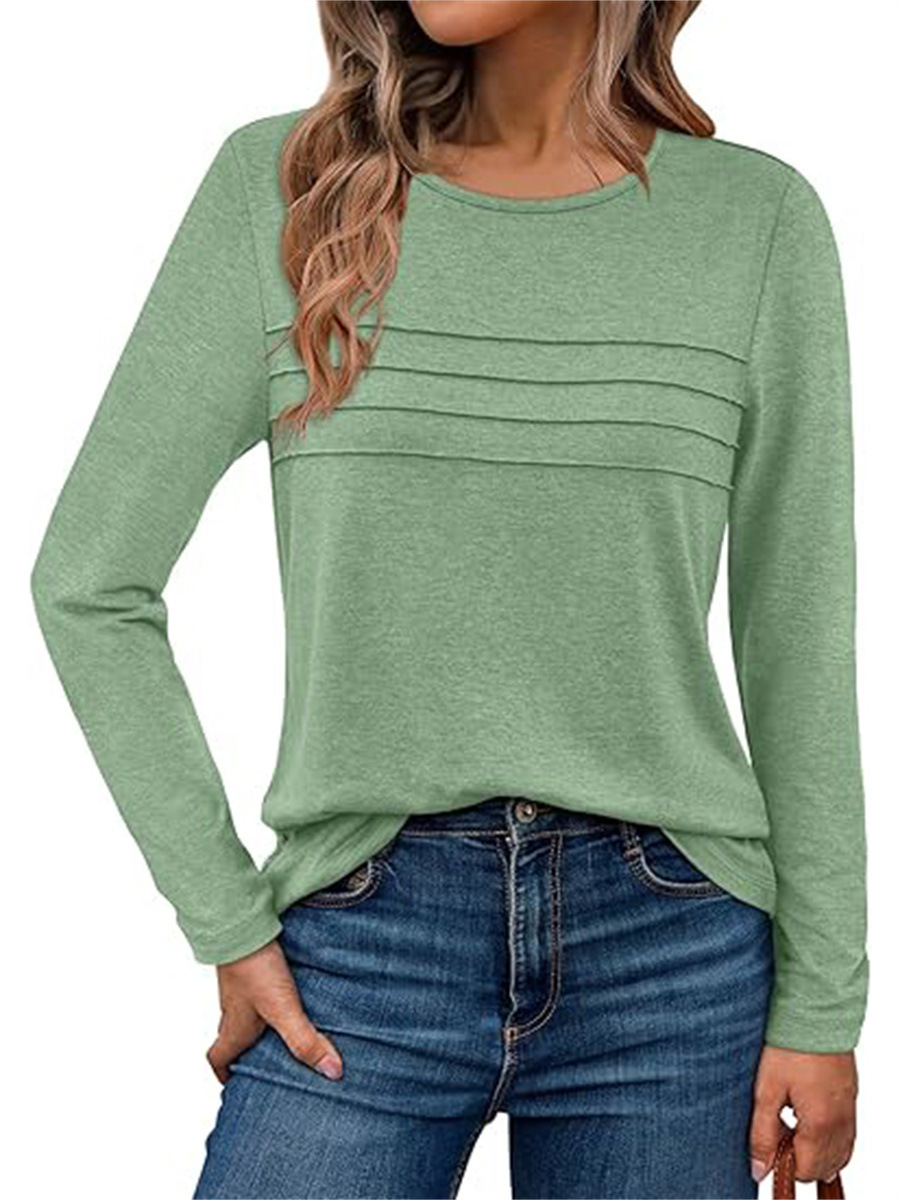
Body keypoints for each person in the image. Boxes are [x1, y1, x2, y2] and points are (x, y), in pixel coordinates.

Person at [30, 2, 867, 1197]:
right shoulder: (288, 190)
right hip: (363, 933)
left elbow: (800, 641)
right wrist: (225, 921)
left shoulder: (756, 221)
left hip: (673, 950)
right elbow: (89, 580)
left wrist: (824, 1002)